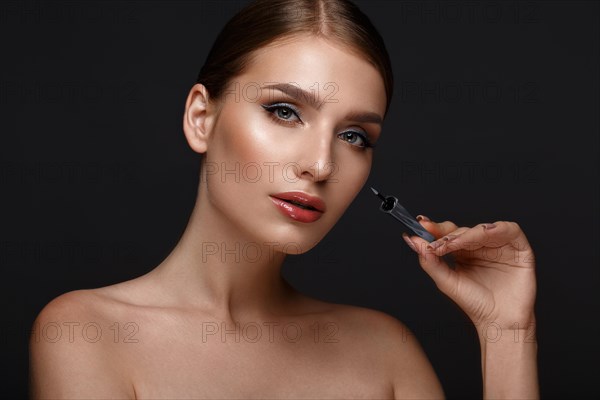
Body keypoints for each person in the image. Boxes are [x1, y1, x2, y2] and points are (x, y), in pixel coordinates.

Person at [29, 0, 539, 398]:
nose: (320, 166)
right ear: (201, 118)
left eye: (355, 136)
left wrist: (508, 335)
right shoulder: (87, 334)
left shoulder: (386, 353)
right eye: (285, 111)